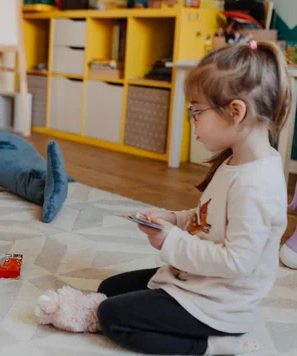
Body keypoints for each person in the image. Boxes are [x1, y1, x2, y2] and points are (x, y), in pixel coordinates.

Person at [97, 41, 291, 355]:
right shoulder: (235, 162)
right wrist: (174, 220)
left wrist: (171, 241)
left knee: (110, 316)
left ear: (235, 111)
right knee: (108, 291)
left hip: (220, 305)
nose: (192, 122)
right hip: (202, 282)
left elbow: (237, 262)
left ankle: (211, 345)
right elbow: (210, 222)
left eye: (196, 111)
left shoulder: (255, 186)